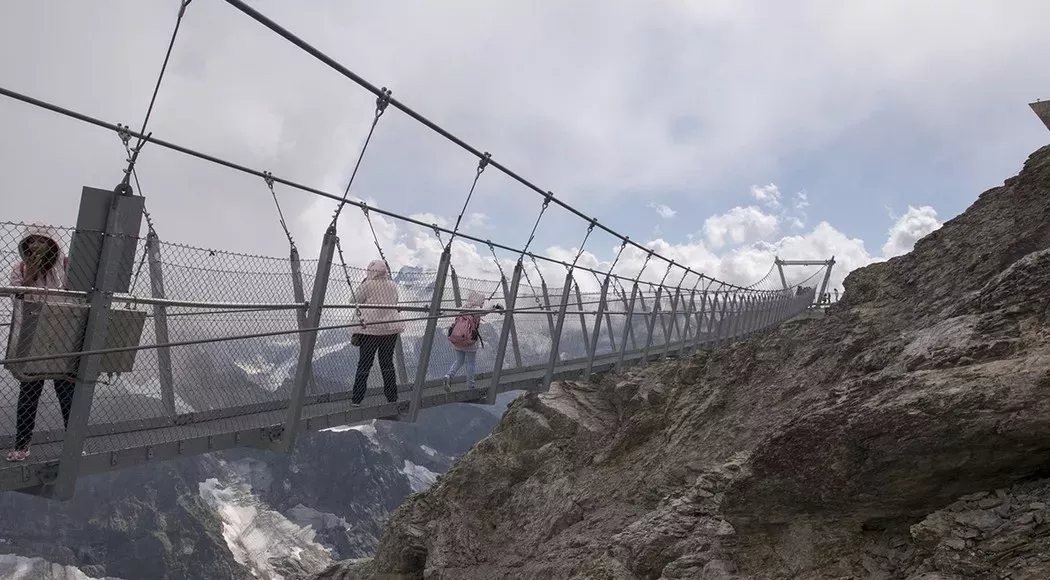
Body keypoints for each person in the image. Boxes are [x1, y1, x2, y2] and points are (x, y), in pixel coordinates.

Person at [6, 223, 73, 462]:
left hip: (61, 336)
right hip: (33, 335)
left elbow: (77, 293)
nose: (36, 246)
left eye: (42, 241)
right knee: (29, 391)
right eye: (31, 241)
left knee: (66, 392)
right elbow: (17, 297)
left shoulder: (66, 266)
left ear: (53, 245)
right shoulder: (20, 269)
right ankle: (22, 445)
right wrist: (29, 277)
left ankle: (74, 443)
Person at [351, 260, 405, 406]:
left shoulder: (367, 284)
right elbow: (394, 302)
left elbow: (353, 300)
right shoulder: (392, 285)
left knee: (364, 364)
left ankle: (357, 398)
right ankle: (392, 397)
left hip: (370, 330)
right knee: (387, 363)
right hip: (390, 329)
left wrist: (362, 284)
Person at [443, 291, 503, 391]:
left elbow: (450, 312)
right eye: (482, 301)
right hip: (469, 341)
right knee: (471, 363)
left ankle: (449, 376)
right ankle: (470, 385)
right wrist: (495, 306)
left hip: (457, 340)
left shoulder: (463, 308)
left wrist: (440, 311)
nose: (482, 303)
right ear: (477, 300)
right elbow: (485, 311)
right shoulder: (476, 310)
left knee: (459, 360)